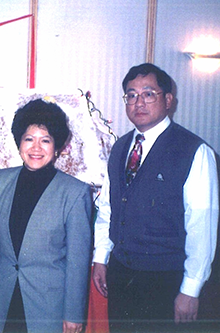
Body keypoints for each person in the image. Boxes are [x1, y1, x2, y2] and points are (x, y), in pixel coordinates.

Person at [92, 63, 219, 332]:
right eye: (131, 95)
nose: (139, 102)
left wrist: (191, 289)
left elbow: (202, 224)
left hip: (166, 280)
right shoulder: (120, 147)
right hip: (122, 272)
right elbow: (107, 208)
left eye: (149, 93)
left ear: (168, 100)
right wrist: (101, 257)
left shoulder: (195, 151)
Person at [0, 99, 93, 333]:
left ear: (57, 146)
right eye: (29, 139)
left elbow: (77, 261)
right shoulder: (0, 180)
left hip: (49, 303)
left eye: (46, 140)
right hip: (6, 294)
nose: (36, 148)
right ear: (19, 142)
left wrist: (73, 314)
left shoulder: (75, 192)